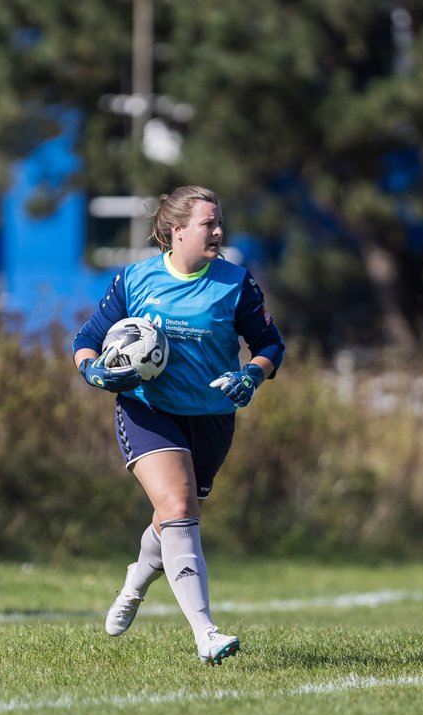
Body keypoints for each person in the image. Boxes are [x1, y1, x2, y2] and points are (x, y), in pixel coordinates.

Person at [72, 185, 285, 665]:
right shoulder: (135, 279)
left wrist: (251, 375)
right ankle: (206, 634)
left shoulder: (236, 283)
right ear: (177, 231)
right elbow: (85, 339)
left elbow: (271, 345)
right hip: (148, 410)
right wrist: (95, 371)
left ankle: (137, 579)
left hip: (211, 419)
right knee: (177, 504)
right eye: (208, 224)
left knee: (174, 518)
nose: (218, 231)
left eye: (218, 222)